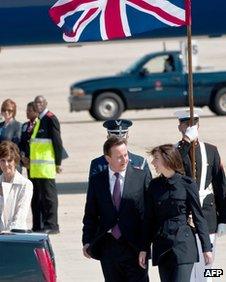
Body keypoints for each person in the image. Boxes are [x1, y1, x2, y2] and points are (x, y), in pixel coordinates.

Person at [139, 144, 213, 282]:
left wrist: (206, 248)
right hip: (162, 246)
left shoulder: (187, 184)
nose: (153, 162)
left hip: (183, 246)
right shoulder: (154, 186)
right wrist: (144, 249)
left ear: (167, 160)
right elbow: (149, 220)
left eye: (156, 158)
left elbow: (199, 217)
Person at [83, 135, 150, 282]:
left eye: (126, 155)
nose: (125, 160)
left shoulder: (141, 176)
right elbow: (91, 214)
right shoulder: (97, 180)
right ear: (108, 158)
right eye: (119, 157)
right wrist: (87, 241)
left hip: (135, 247)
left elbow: (148, 215)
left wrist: (145, 247)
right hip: (108, 247)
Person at [174, 108, 226, 282]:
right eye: (187, 124)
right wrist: (186, 141)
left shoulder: (211, 150)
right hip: (183, 216)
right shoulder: (173, 151)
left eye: (194, 123)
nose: (191, 127)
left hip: (207, 215)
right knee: (186, 268)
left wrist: (224, 218)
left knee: (208, 266)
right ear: (180, 126)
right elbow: (173, 166)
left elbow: (221, 186)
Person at [30, 95, 63, 234]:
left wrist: (58, 162)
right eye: (36, 102)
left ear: (45, 103)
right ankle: (44, 224)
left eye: (40, 102)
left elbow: (57, 142)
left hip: (46, 166)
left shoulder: (50, 118)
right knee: (40, 198)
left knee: (50, 197)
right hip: (37, 168)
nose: (37, 104)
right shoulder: (39, 120)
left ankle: (52, 225)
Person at [0, 140, 33, 232]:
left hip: (14, 236)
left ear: (15, 161)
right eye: (2, 160)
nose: (6, 164)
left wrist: (5, 235)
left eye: (9, 160)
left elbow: (20, 216)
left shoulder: (25, 185)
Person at [19, 101, 39, 176]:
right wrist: (23, 157)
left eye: (29, 111)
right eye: (26, 110)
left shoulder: (41, 125)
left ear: (36, 112)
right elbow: (21, 143)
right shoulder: (25, 126)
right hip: (28, 163)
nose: (27, 112)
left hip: (38, 162)